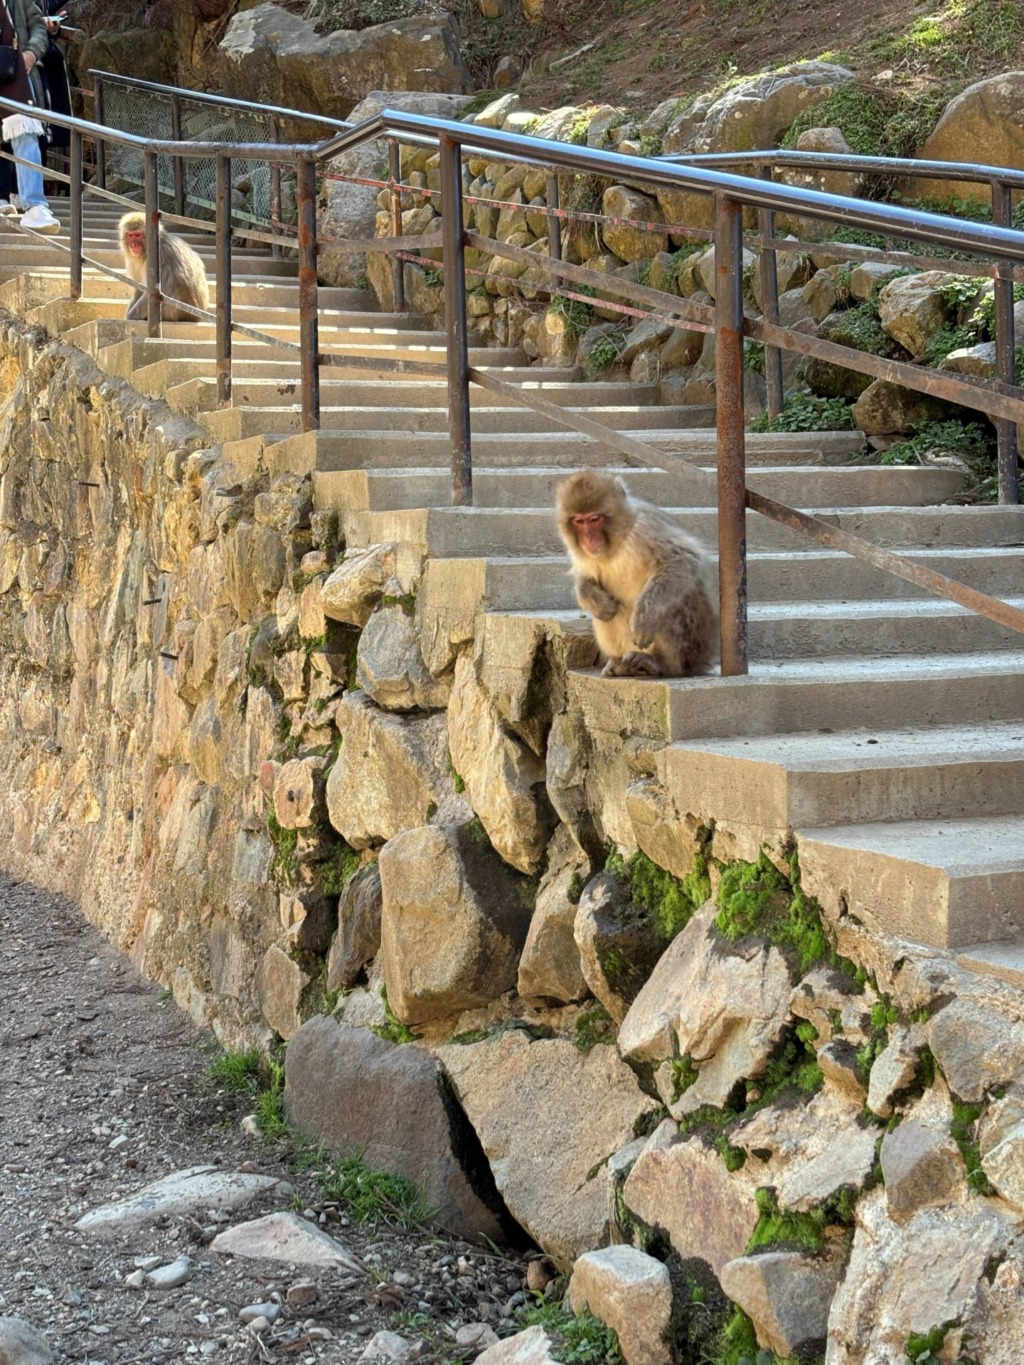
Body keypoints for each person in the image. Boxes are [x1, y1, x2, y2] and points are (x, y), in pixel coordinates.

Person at [0, 0, 59, 232]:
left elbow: (38, 25)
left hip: (16, 71)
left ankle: (34, 206)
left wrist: (31, 53)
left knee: (25, 132)